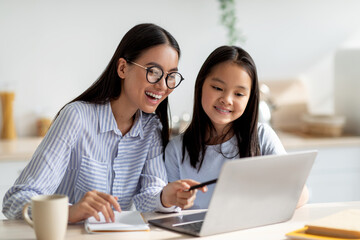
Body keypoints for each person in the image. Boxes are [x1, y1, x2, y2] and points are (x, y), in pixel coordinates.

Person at [2, 23, 206, 223]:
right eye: (153, 71)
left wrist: (165, 197)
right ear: (123, 68)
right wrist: (70, 212)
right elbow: (16, 200)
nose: (163, 85)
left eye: (171, 76)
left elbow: (148, 197)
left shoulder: (151, 128)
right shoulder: (77, 117)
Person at [165, 46, 309, 209]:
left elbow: (301, 194)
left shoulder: (262, 137)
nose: (226, 99)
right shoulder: (176, 150)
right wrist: (176, 200)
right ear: (200, 85)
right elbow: (168, 210)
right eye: (217, 88)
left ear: (249, 99)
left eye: (239, 94)